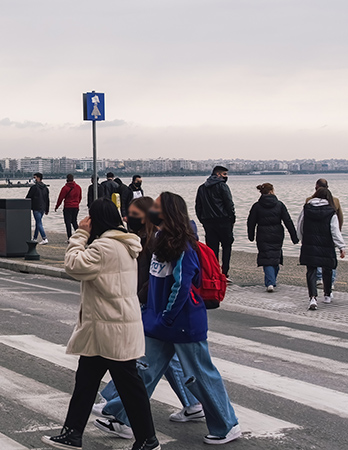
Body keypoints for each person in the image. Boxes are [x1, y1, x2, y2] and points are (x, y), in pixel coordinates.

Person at [96, 192, 242, 446]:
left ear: (169, 212)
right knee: (144, 372)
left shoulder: (184, 245)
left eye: (157, 206)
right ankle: (121, 416)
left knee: (202, 375)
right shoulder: (160, 240)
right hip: (160, 322)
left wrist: (165, 316)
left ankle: (227, 425)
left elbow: (182, 286)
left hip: (182, 323)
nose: (152, 209)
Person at [41, 199, 159, 450]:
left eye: (90, 217)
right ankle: (72, 434)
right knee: (89, 383)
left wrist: (80, 234)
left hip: (110, 328)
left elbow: (73, 265)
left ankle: (148, 440)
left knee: (129, 388)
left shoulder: (105, 246)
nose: (87, 221)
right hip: (109, 326)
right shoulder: (124, 243)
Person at [95, 196, 205, 431]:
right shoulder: (146, 238)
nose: (128, 217)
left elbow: (161, 279)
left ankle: (116, 408)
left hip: (152, 307)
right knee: (156, 360)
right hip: (152, 307)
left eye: (134, 213)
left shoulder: (159, 240)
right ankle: (191, 403)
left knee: (146, 360)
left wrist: (142, 300)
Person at [298, 187, 345, 310]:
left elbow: (300, 225)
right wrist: (341, 246)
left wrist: (302, 239)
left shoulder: (306, 208)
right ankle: (327, 295)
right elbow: (335, 231)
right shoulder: (331, 211)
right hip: (326, 245)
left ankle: (313, 298)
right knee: (327, 269)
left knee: (311, 270)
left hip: (310, 243)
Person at [247, 183, 298, 292]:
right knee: (275, 255)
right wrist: (294, 236)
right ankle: (271, 281)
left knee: (266, 257)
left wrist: (250, 236)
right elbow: (287, 221)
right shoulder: (279, 205)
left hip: (262, 233)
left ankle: (270, 282)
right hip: (277, 233)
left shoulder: (256, 206)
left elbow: (251, 222)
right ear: (272, 191)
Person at [195, 166, 235, 279]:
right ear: (218, 174)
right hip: (223, 220)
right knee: (227, 246)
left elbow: (198, 206)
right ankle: (224, 272)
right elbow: (229, 204)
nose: (226, 177)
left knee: (212, 250)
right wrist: (232, 218)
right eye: (224, 174)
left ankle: (214, 272)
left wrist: (202, 220)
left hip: (208, 222)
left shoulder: (202, 188)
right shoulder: (222, 186)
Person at [306, 179, 343, 289]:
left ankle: (319, 278)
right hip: (330, 234)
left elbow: (305, 219)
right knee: (330, 258)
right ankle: (330, 282)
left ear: (316, 187)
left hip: (313, 234)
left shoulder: (309, 200)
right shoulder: (335, 201)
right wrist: (338, 233)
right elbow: (340, 218)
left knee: (315, 256)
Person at [25, 173, 50, 244]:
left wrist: (26, 205)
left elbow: (28, 197)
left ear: (38, 178)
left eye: (35, 177)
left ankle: (44, 238)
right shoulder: (45, 188)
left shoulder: (34, 188)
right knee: (38, 222)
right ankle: (35, 238)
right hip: (43, 207)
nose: (34, 179)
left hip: (36, 207)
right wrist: (47, 208)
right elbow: (47, 199)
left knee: (39, 223)